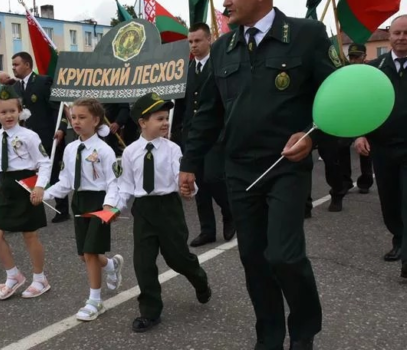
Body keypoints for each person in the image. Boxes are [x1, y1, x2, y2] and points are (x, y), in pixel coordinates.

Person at [180, 2, 339, 348]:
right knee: (253, 258)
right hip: (239, 170)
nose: (225, 3)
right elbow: (208, 112)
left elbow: (335, 98)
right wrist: (189, 162)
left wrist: (313, 136)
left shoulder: (306, 34)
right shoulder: (223, 47)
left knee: (284, 255)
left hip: (286, 167)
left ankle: (303, 333)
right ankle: (268, 335)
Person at [116, 93, 211, 333]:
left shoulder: (172, 149)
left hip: (168, 208)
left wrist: (188, 188)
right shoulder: (130, 152)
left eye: (166, 117)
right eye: (159, 118)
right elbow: (126, 184)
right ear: (142, 122)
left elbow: (182, 175)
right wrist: (115, 207)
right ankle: (150, 311)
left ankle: (199, 278)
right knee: (143, 262)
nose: (165, 122)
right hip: (144, 209)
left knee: (177, 258)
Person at [44, 98, 124, 321]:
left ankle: (95, 301)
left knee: (90, 253)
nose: (76, 121)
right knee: (84, 254)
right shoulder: (70, 149)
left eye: (82, 117)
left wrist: (110, 205)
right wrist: (45, 193)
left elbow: (113, 182)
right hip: (79, 201)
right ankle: (111, 265)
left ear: (96, 120)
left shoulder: (105, 150)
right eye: (74, 117)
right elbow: (66, 181)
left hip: (99, 203)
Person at [0, 85, 52, 300]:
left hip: (26, 187)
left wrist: (40, 186)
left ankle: (40, 278)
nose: (8, 115)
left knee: (30, 235)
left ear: (20, 110)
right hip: (6, 188)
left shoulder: (29, 135)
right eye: (3, 112)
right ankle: (13, 275)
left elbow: (45, 163)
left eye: (12, 110)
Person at [173, 23, 235, 247]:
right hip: (192, 134)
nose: (194, 45)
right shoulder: (187, 70)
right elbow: (182, 104)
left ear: (209, 40)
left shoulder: (219, 66)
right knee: (197, 183)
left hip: (216, 134)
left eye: (198, 41)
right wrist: (176, 130)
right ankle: (207, 229)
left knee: (214, 177)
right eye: (190, 42)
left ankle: (229, 214)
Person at [354, 15, 407, 275]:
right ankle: (399, 240)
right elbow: (362, 106)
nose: (401, 38)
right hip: (383, 146)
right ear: (390, 36)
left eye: (406, 33)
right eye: (396, 33)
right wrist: (360, 134)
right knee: (390, 199)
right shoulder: (374, 68)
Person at [12, 51, 70, 223]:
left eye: (16, 64)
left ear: (27, 65)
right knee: (27, 172)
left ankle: (62, 210)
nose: (14, 67)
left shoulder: (43, 82)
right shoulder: (15, 88)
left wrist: (61, 128)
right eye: (13, 65)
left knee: (52, 172)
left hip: (46, 134)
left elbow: (57, 108)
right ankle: (28, 209)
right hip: (24, 139)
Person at [346, 43, 374, 194]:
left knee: (365, 150)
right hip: (348, 114)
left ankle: (365, 181)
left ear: (364, 56)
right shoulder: (344, 72)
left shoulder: (371, 71)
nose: (353, 60)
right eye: (351, 57)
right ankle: (345, 182)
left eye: (357, 57)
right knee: (343, 148)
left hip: (365, 114)